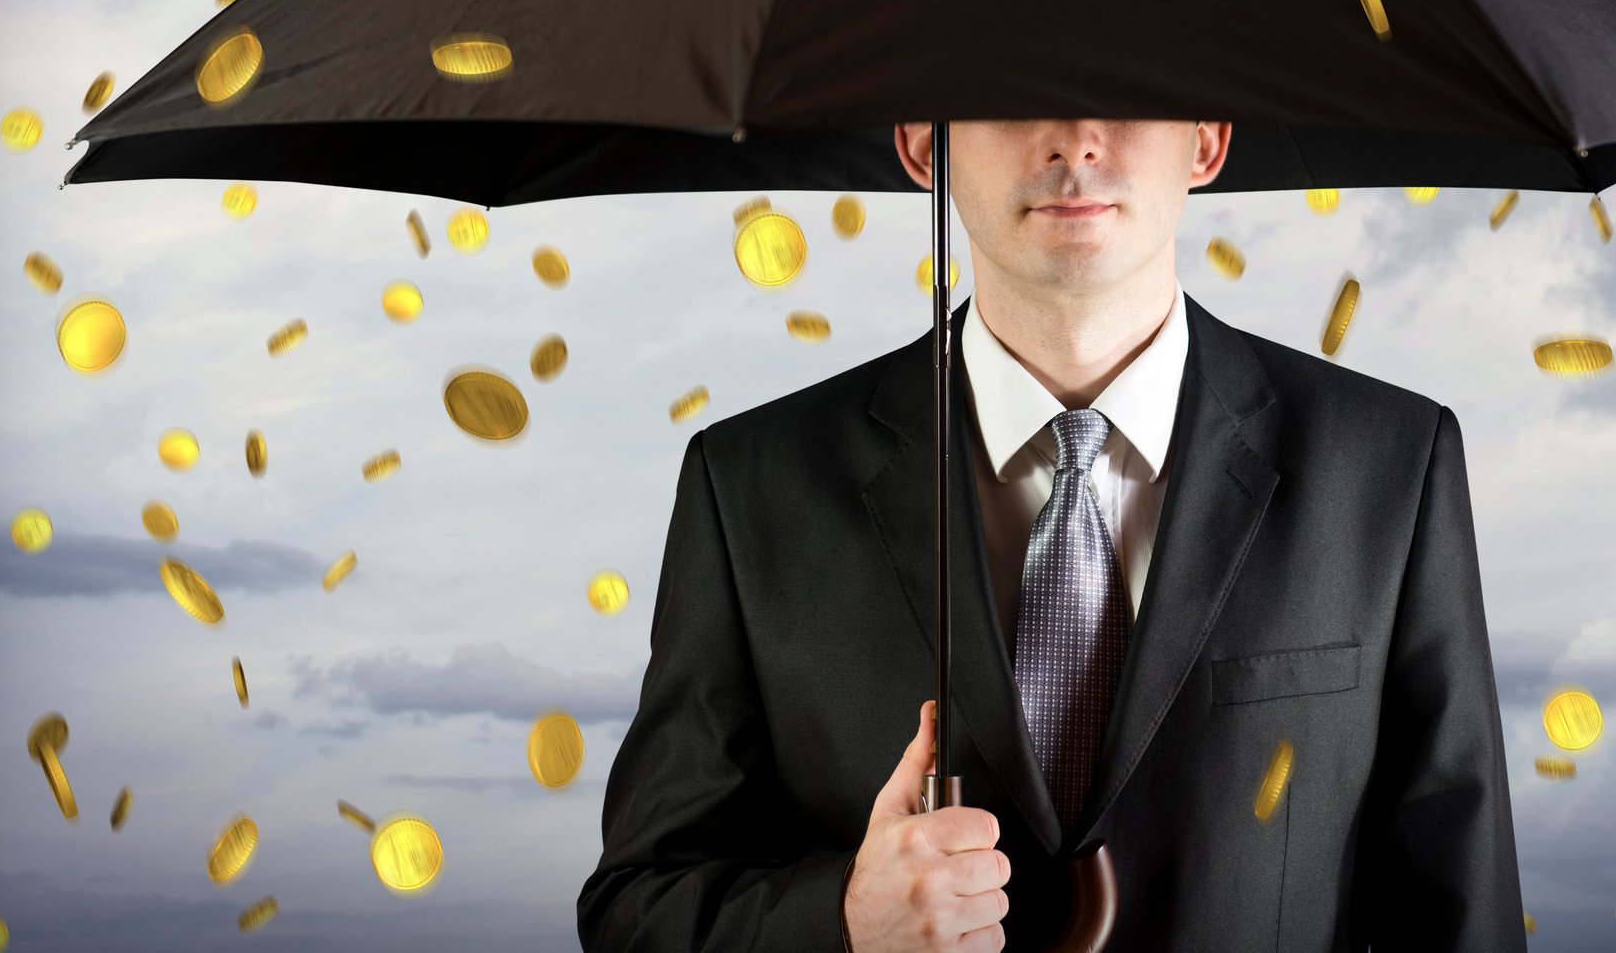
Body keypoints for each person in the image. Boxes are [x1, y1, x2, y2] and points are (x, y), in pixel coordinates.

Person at [577, 120, 1526, 952]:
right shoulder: (749, 482)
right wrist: (841, 924)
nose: (1076, 140)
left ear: (1207, 140)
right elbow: (638, 904)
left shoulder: (1392, 466)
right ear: (923, 143)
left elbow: (1457, 911)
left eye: (1127, 90)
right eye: (1013, 88)